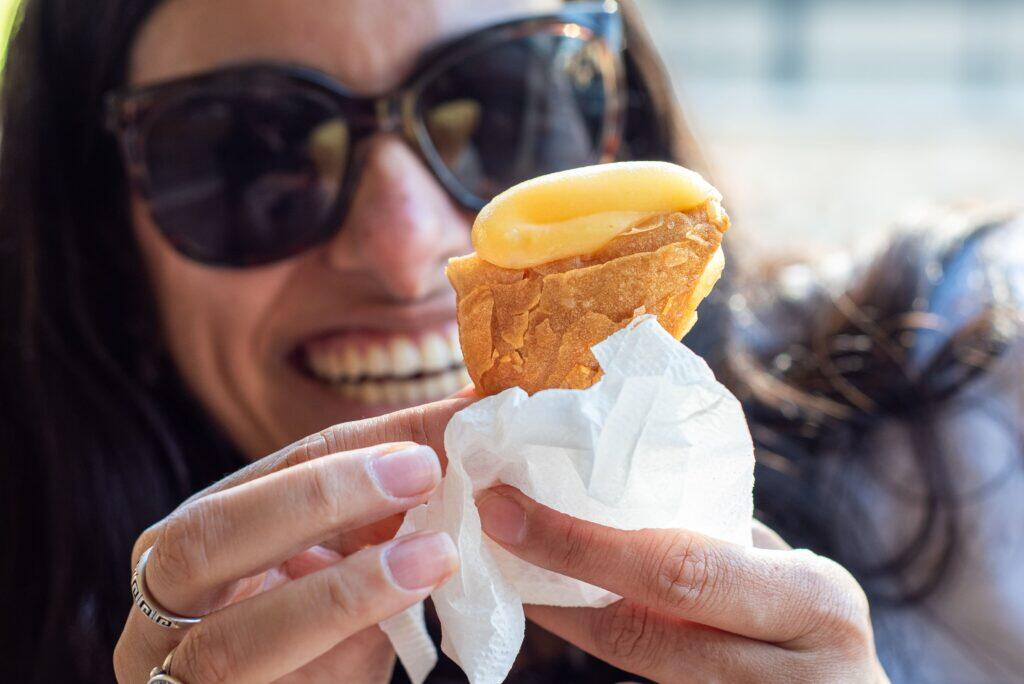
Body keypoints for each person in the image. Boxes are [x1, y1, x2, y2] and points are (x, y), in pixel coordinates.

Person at [0, 0, 1019, 682]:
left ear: (617, 128)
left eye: (497, 110)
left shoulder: (968, 418)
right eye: (248, 152)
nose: (407, 258)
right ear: (99, 240)